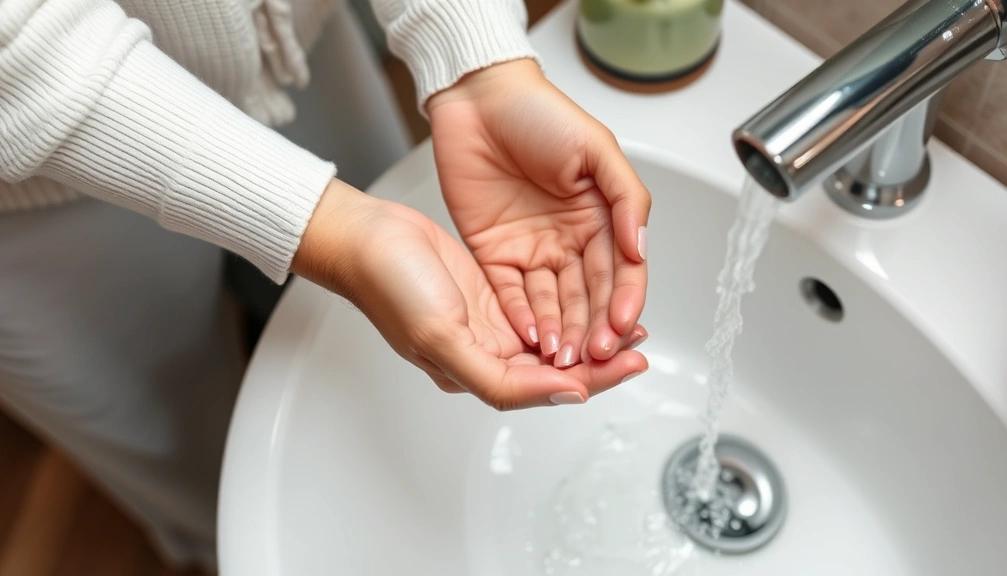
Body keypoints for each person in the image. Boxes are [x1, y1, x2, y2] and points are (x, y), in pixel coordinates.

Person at [0, 0, 652, 570]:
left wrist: (474, 60)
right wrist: (332, 228)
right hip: (35, 179)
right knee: (188, 442)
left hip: (290, 37)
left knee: (362, 364)